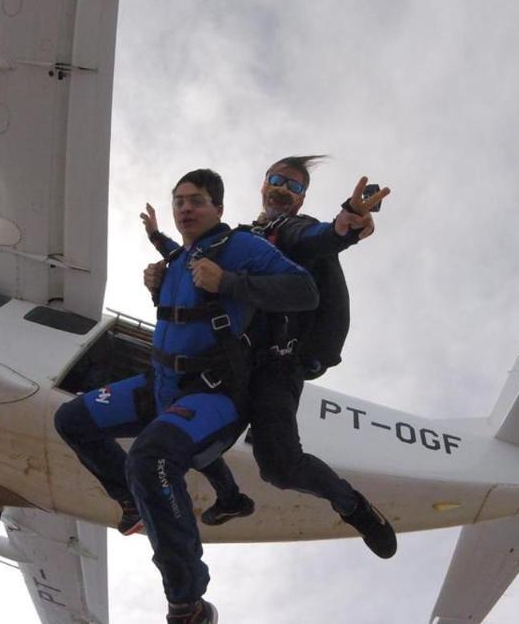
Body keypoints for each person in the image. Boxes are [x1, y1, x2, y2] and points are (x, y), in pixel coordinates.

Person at [55, 169, 318, 624]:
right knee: (72, 420)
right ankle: (133, 501)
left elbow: (304, 291)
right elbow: (179, 294)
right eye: (179, 201)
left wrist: (230, 284)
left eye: (196, 201)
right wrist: (157, 269)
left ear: (218, 207)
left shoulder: (240, 248)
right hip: (159, 385)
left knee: (149, 459)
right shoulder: (181, 258)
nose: (185, 209)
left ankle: (187, 600)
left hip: (212, 391)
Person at [142, 156, 397, 559]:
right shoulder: (239, 238)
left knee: (279, 466)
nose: (282, 189)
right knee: (176, 417)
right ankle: (229, 497)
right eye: (277, 179)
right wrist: (160, 272)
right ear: (262, 184)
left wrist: (346, 225)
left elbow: (320, 237)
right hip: (230, 359)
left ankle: (353, 506)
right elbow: (194, 275)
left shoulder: (289, 230)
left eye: (293, 186)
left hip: (277, 364)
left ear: (300, 199)